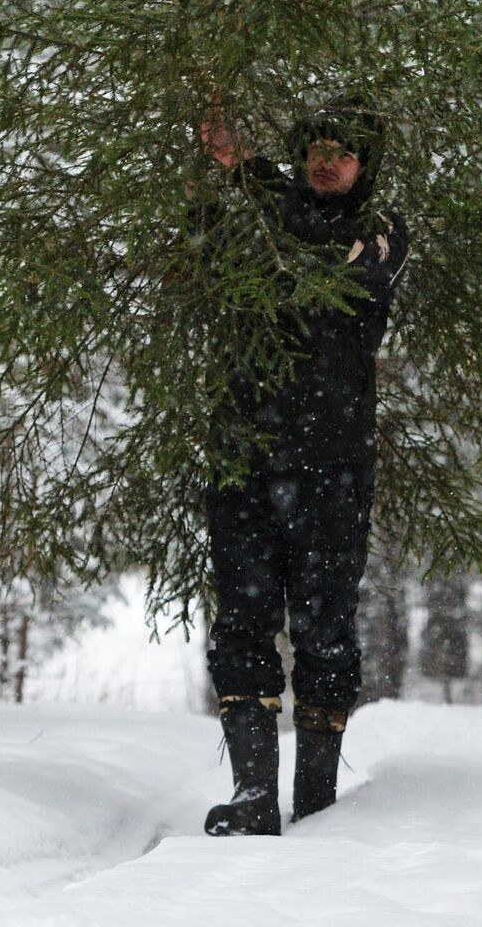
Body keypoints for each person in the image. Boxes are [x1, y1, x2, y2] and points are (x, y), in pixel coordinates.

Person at [193, 99, 409, 837]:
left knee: (323, 626)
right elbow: (219, 250)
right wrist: (230, 167)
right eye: (315, 148)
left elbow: (307, 256)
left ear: (364, 168)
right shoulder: (256, 217)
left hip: (332, 464)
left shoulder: (379, 234)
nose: (327, 161)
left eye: (343, 153)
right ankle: (255, 796)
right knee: (243, 623)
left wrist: (243, 171)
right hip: (243, 456)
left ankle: (316, 801)